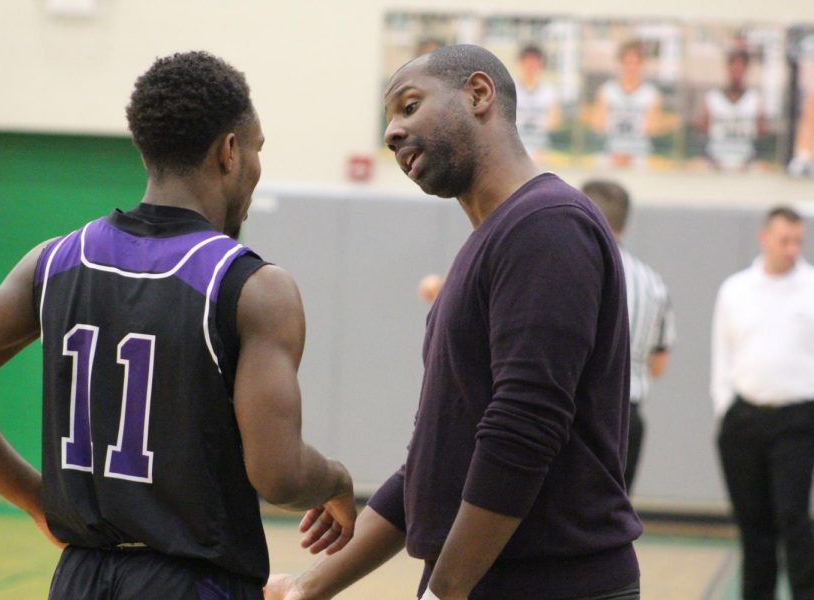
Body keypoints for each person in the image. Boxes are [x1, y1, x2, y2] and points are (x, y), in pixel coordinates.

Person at [0, 51, 356, 599]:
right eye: (258, 150)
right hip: (194, 583)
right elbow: (279, 476)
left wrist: (38, 501)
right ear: (230, 151)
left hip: (78, 579)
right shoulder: (254, 288)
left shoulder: (53, 262)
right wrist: (336, 479)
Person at [267, 44, 641, 600]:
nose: (392, 132)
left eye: (409, 106)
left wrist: (443, 592)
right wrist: (309, 586)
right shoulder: (496, 238)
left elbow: (524, 424)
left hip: (552, 583)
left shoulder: (546, 227)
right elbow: (437, 456)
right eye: (389, 120)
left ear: (479, 93)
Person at [711, 206, 814, 600]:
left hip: (797, 419)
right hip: (745, 419)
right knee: (753, 527)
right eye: (784, 240)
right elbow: (722, 354)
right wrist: (725, 406)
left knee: (792, 517)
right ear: (765, 239)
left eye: (798, 241)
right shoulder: (736, 289)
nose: (792, 248)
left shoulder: (810, 287)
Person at [582, 180, 676, 494]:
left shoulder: (574, 265)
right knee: (611, 519)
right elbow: (659, 364)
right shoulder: (652, 282)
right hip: (628, 416)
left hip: (578, 413)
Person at [589, 39, 664, 168]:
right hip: (610, 151)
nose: (631, 67)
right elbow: (598, 124)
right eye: (627, 63)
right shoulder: (607, 91)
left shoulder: (650, 94)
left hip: (640, 153)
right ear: (620, 63)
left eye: (635, 63)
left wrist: (628, 154)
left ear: (642, 64)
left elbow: (653, 128)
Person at [699, 48, 765, 171]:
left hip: (746, 163)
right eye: (733, 65)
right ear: (727, 67)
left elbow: (761, 138)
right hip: (715, 161)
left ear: (746, 69)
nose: (737, 70)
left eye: (741, 66)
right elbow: (702, 134)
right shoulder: (712, 98)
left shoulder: (755, 99)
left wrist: (749, 161)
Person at [514, 44, 561, 161]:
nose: (530, 65)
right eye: (527, 60)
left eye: (534, 61)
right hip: (515, 146)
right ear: (520, 63)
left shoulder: (549, 92)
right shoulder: (511, 89)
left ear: (541, 64)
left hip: (542, 148)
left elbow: (555, 123)